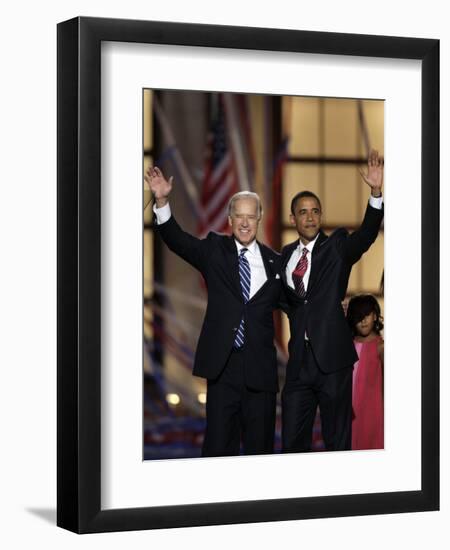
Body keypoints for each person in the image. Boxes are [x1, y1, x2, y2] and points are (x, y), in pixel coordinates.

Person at [145, 166, 283, 457]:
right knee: (219, 449)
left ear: (259, 218)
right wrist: (161, 202)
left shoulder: (275, 263)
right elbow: (177, 240)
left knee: (261, 452)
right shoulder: (214, 250)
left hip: (260, 371)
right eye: (239, 217)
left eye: (250, 216)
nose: (245, 223)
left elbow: (299, 303)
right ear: (230, 220)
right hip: (223, 368)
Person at [280, 149, 384, 452]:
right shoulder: (286, 256)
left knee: (337, 441)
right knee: (291, 443)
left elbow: (365, 235)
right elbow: (287, 300)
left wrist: (375, 193)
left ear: (320, 215)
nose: (310, 217)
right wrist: (299, 318)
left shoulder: (337, 246)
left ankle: (339, 497)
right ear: (293, 218)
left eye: (315, 211)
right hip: (299, 363)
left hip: (333, 363)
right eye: (303, 212)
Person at [346, 294, 384, 450]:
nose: (362, 320)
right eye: (358, 316)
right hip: (351, 409)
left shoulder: (381, 347)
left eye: (366, 315)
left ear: (375, 316)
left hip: (374, 410)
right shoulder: (348, 345)